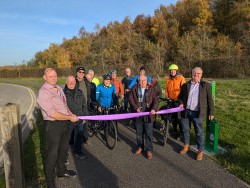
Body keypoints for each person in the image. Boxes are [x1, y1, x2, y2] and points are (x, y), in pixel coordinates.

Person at [37, 68, 78, 188]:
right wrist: (69, 118)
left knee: (63, 150)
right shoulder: (43, 92)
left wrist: (70, 115)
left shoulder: (59, 88)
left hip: (64, 123)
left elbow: (65, 106)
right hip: (53, 125)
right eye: (51, 76)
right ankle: (50, 182)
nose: (54, 78)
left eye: (55, 76)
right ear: (44, 78)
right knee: (52, 153)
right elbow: (52, 113)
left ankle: (61, 171)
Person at [178, 67, 214, 161]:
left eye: (198, 74)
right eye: (194, 73)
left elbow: (210, 100)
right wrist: (181, 102)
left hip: (197, 112)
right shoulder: (186, 85)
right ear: (192, 74)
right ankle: (186, 146)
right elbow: (180, 97)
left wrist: (211, 112)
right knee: (185, 130)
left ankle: (200, 150)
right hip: (186, 111)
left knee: (199, 132)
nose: (196, 75)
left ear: (201, 75)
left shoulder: (205, 85)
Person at [129, 74, 158, 159]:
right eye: (140, 81)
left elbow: (156, 100)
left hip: (148, 114)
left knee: (148, 133)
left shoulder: (151, 89)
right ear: (138, 81)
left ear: (147, 80)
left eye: (144, 81)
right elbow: (131, 99)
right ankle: (140, 146)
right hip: (138, 114)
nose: (142, 82)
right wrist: (136, 108)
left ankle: (149, 149)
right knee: (139, 133)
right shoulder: (134, 88)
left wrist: (154, 109)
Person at [64, 75, 88, 160]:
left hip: (79, 119)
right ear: (66, 83)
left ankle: (78, 151)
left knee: (79, 137)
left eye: (73, 81)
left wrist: (85, 117)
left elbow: (84, 105)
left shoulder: (80, 92)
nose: (71, 83)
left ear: (75, 82)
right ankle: (64, 156)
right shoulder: (63, 93)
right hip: (68, 120)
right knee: (66, 140)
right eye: (69, 81)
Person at [165, 64, 186, 140]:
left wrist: (182, 101)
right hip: (170, 101)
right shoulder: (168, 79)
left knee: (179, 117)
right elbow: (166, 89)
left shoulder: (181, 78)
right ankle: (174, 131)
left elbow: (184, 90)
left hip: (178, 101)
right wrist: (166, 97)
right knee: (172, 117)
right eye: (171, 70)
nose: (172, 72)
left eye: (174, 70)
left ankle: (182, 133)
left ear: (176, 71)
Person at [75, 66, 91, 145]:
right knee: (76, 124)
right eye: (79, 72)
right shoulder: (73, 81)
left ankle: (86, 138)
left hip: (85, 106)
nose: (81, 74)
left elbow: (89, 93)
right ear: (76, 73)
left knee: (85, 123)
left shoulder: (86, 82)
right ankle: (75, 140)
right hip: (76, 106)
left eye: (83, 72)